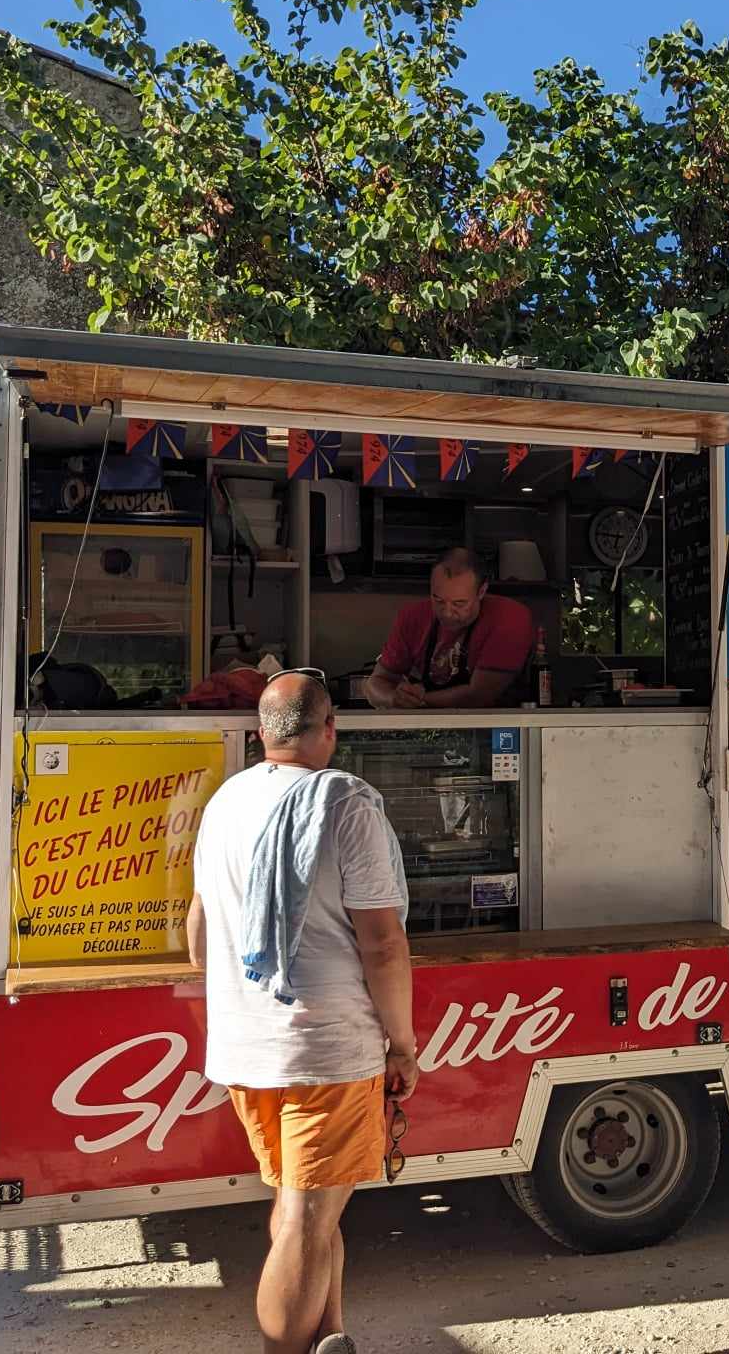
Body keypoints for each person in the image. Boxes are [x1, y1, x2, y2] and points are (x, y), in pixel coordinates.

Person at [185, 671, 418, 1354]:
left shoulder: (227, 800)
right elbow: (383, 942)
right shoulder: (344, 802)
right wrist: (400, 1044)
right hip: (325, 1047)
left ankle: (332, 1338)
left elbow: (198, 937)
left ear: (261, 732)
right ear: (329, 730)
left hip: (245, 1048)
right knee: (309, 1221)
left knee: (298, 1208)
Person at [360, 546, 535, 709]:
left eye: (459, 603)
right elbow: (375, 685)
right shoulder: (412, 618)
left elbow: (479, 695)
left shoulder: (509, 617)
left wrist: (419, 699)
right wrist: (392, 698)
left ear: (481, 592)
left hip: (500, 731)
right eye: (438, 600)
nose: (447, 613)